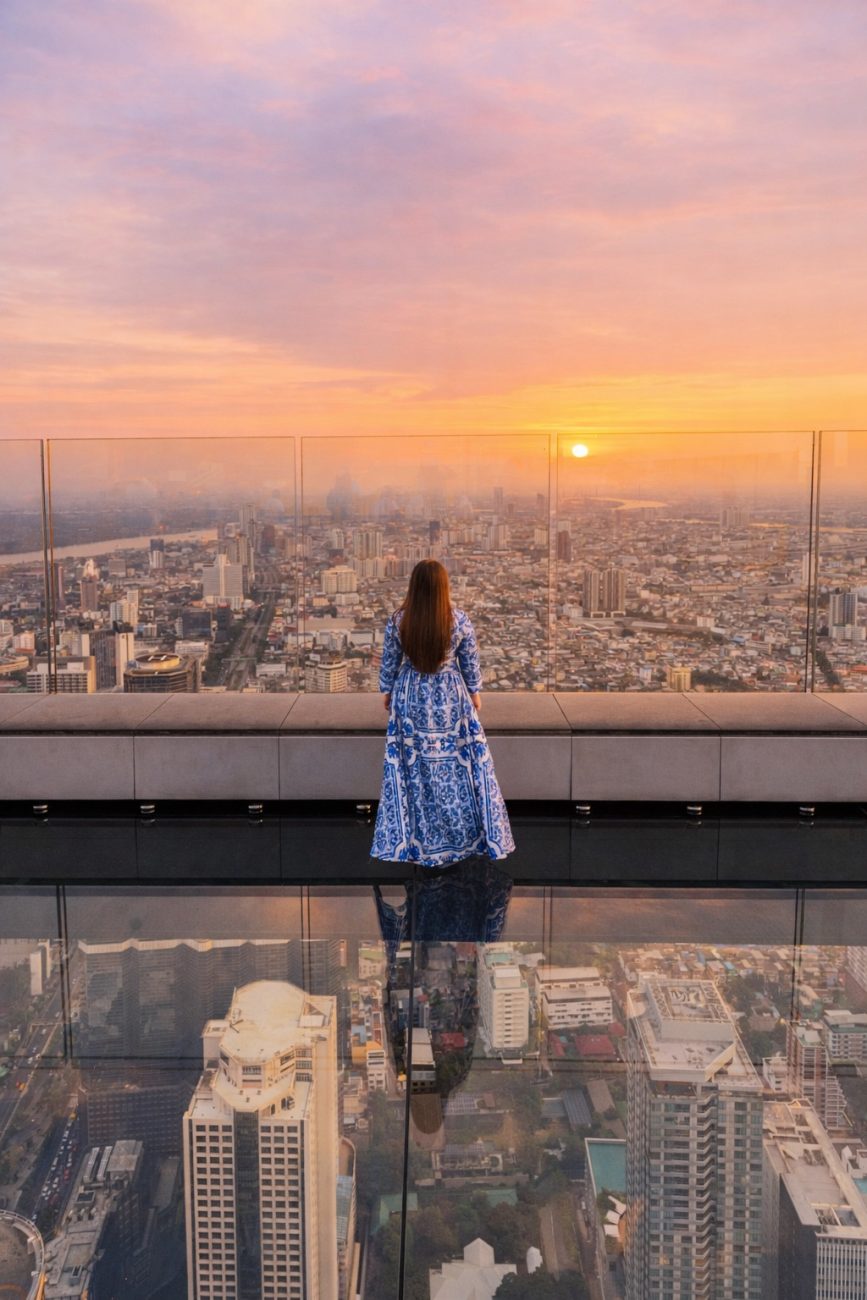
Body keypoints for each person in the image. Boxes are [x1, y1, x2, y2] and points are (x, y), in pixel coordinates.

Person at [370, 559, 515, 867]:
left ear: (414, 586)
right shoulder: (458, 620)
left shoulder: (399, 621)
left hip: (410, 696)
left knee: (415, 772)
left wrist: (388, 692)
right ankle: (465, 840)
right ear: (443, 588)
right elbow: (470, 664)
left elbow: (389, 664)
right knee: (458, 771)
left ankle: (416, 842)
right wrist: (474, 694)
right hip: (451, 698)